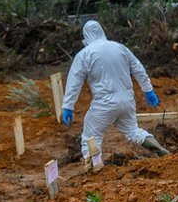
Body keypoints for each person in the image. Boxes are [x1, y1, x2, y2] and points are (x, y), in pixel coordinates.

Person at [62, 20, 170, 159]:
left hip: (104, 102)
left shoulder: (85, 54)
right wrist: (148, 90)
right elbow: (138, 69)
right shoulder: (120, 48)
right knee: (133, 131)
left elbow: (74, 82)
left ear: (86, 36)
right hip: (127, 100)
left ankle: (94, 167)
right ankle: (161, 151)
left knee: (90, 136)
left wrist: (68, 106)